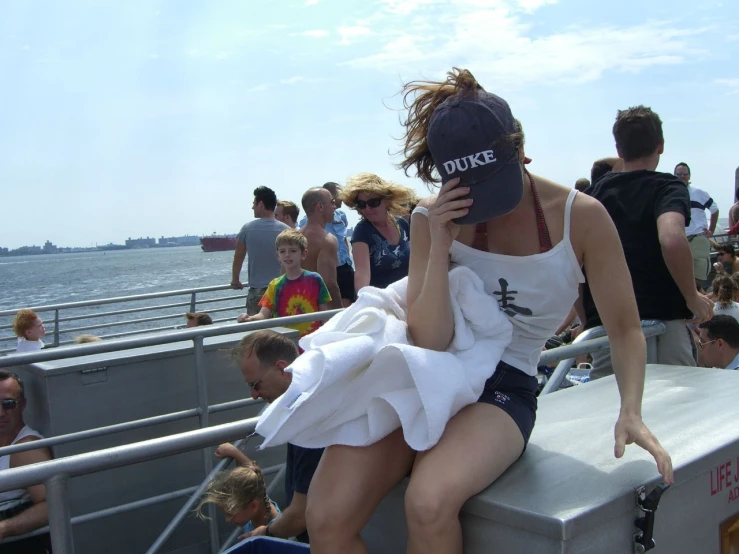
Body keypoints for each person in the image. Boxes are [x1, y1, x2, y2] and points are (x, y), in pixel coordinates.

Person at [305, 68, 673, 554]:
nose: (490, 206)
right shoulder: (430, 216)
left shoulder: (579, 217)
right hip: (429, 368)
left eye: (497, 182)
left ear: (520, 148)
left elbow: (623, 328)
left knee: (428, 502)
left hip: (505, 383)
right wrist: (438, 247)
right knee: (325, 517)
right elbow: (430, 340)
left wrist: (631, 409)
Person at [579, 107, 713, 379]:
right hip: (663, 325)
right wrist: (692, 297)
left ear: (618, 148)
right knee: (676, 416)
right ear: (660, 146)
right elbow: (672, 240)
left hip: (610, 328)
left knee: (613, 413)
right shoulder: (668, 187)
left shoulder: (592, 196)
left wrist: (587, 321)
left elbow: (573, 264)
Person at [233, 330, 323, 543]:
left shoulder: (306, 419)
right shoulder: (310, 399)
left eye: (255, 385)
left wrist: (266, 533)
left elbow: (301, 515)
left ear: (282, 369)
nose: (253, 395)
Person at [237, 229, 331, 340]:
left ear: (303, 254)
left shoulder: (315, 279)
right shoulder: (275, 285)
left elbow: (323, 314)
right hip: (285, 344)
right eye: (282, 251)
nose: (287, 255)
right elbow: (263, 315)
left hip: (311, 341)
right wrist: (249, 318)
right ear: (278, 256)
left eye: (292, 251)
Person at [0, 371, 53, 553]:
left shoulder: (26, 450)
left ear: (22, 405)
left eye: (8, 404)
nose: (0, 413)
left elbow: (50, 506)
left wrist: (4, 528)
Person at [341, 173, 415, 292]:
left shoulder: (402, 224)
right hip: (382, 301)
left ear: (386, 200)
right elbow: (362, 275)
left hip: (410, 295)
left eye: (373, 203)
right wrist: (364, 300)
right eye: (361, 204)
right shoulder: (362, 231)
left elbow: (417, 262)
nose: (367, 209)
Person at [197, 443, 280, 540]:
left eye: (231, 514)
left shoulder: (278, 533)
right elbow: (254, 473)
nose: (227, 520)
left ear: (253, 506)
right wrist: (234, 452)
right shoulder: (259, 498)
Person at [232, 187, 290, 315]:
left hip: (258, 292)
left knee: (258, 331)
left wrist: (235, 279)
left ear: (261, 204)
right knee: (282, 329)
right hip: (282, 289)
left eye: (254, 203)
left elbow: (239, 257)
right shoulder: (286, 230)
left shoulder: (247, 229)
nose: (252, 207)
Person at [298, 183, 356, 307]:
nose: (335, 207)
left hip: (299, 305)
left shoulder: (292, 237)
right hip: (319, 310)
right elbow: (329, 284)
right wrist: (339, 314)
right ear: (320, 206)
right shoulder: (327, 240)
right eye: (332, 202)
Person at [675, 162, 719, 288]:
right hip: (679, 240)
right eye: (679, 174)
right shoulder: (669, 194)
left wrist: (711, 230)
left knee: (699, 276)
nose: (682, 176)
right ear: (674, 176)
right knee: (679, 275)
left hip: (698, 238)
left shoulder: (699, 192)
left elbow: (714, 210)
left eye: (684, 174)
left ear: (689, 176)